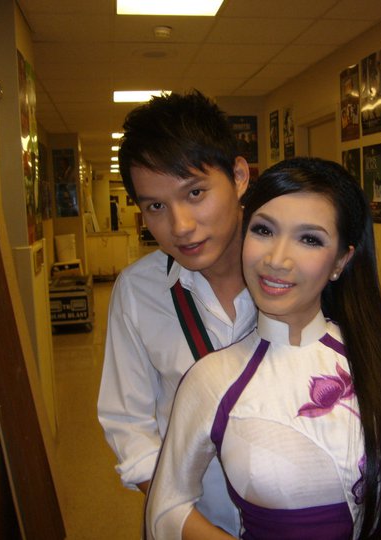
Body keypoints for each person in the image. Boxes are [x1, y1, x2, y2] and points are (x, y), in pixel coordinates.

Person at [146, 157, 381, 539]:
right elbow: (166, 509)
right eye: (263, 230)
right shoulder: (211, 380)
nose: (276, 260)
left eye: (310, 239)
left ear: (341, 260)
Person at [97, 90, 256, 537]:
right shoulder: (138, 291)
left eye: (195, 192)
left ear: (239, 176)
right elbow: (129, 426)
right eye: (156, 206)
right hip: (190, 524)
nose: (180, 226)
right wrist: (192, 526)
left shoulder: (299, 274)